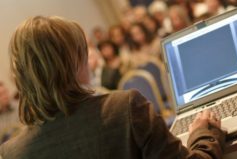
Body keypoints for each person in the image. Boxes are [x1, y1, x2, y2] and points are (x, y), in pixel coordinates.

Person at [0, 16, 225, 159]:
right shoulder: (124, 108)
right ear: (72, 62)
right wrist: (202, 134)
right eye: (83, 51)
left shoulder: (11, 153)